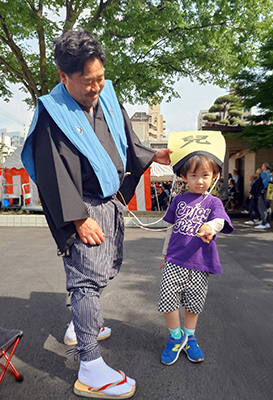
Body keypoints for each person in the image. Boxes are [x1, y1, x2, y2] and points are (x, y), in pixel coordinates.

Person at [21, 29, 172, 399]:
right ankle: (89, 365)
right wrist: (77, 218)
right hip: (82, 205)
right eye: (87, 81)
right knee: (85, 279)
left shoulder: (106, 98)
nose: (96, 88)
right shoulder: (52, 115)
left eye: (101, 78)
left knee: (105, 268)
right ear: (64, 77)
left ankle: (79, 324)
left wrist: (153, 156)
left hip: (107, 202)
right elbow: (52, 172)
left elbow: (125, 142)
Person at [158, 153, 233, 366]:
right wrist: (165, 253)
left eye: (205, 175)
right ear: (184, 177)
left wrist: (210, 226)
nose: (199, 180)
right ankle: (175, 336)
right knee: (167, 298)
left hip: (200, 263)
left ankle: (190, 337)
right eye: (194, 175)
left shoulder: (213, 201)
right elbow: (170, 228)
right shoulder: (178, 200)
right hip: (174, 260)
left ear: (214, 176)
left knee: (193, 304)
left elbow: (220, 220)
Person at [255, 162, 273, 229]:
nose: (262, 167)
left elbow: (261, 183)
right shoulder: (270, 174)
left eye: (262, 166)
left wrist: (261, 190)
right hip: (270, 190)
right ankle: (267, 222)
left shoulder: (263, 174)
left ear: (264, 166)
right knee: (268, 206)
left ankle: (263, 223)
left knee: (262, 206)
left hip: (264, 190)